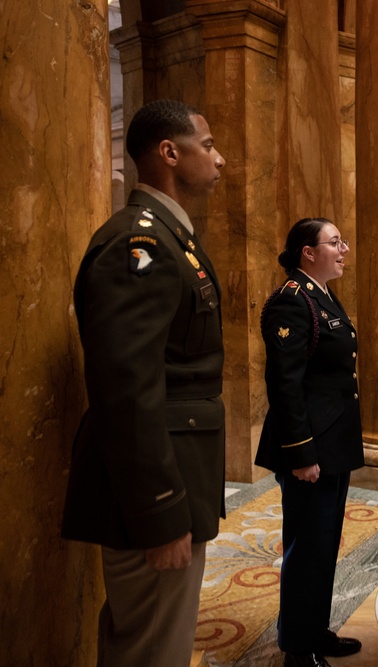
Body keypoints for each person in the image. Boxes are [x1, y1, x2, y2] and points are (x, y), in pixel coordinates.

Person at [61, 99, 227, 666]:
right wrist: (159, 513)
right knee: (152, 650)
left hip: (175, 474)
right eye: (207, 145)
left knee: (152, 642)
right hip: (158, 490)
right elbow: (127, 390)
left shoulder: (169, 239)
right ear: (169, 153)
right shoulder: (143, 245)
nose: (219, 158)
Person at [255, 218, 364, 665]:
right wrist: (301, 454)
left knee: (323, 544)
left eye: (342, 242)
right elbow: (285, 384)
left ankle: (313, 630)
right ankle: (297, 650)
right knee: (307, 549)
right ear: (308, 252)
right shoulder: (291, 301)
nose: (343, 249)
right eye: (334, 242)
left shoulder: (320, 294)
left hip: (330, 443)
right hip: (309, 448)